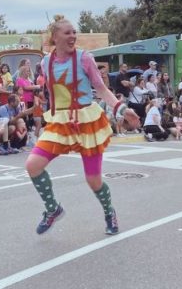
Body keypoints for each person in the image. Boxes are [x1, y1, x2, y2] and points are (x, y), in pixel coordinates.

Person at [25, 16, 119, 235]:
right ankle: (52, 209)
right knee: (33, 165)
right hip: (61, 122)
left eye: (74, 32)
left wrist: (120, 108)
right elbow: (52, 92)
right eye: (67, 33)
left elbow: (101, 89)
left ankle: (109, 212)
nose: (73, 36)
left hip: (87, 122)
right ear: (55, 37)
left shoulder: (85, 58)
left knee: (93, 180)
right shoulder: (45, 63)